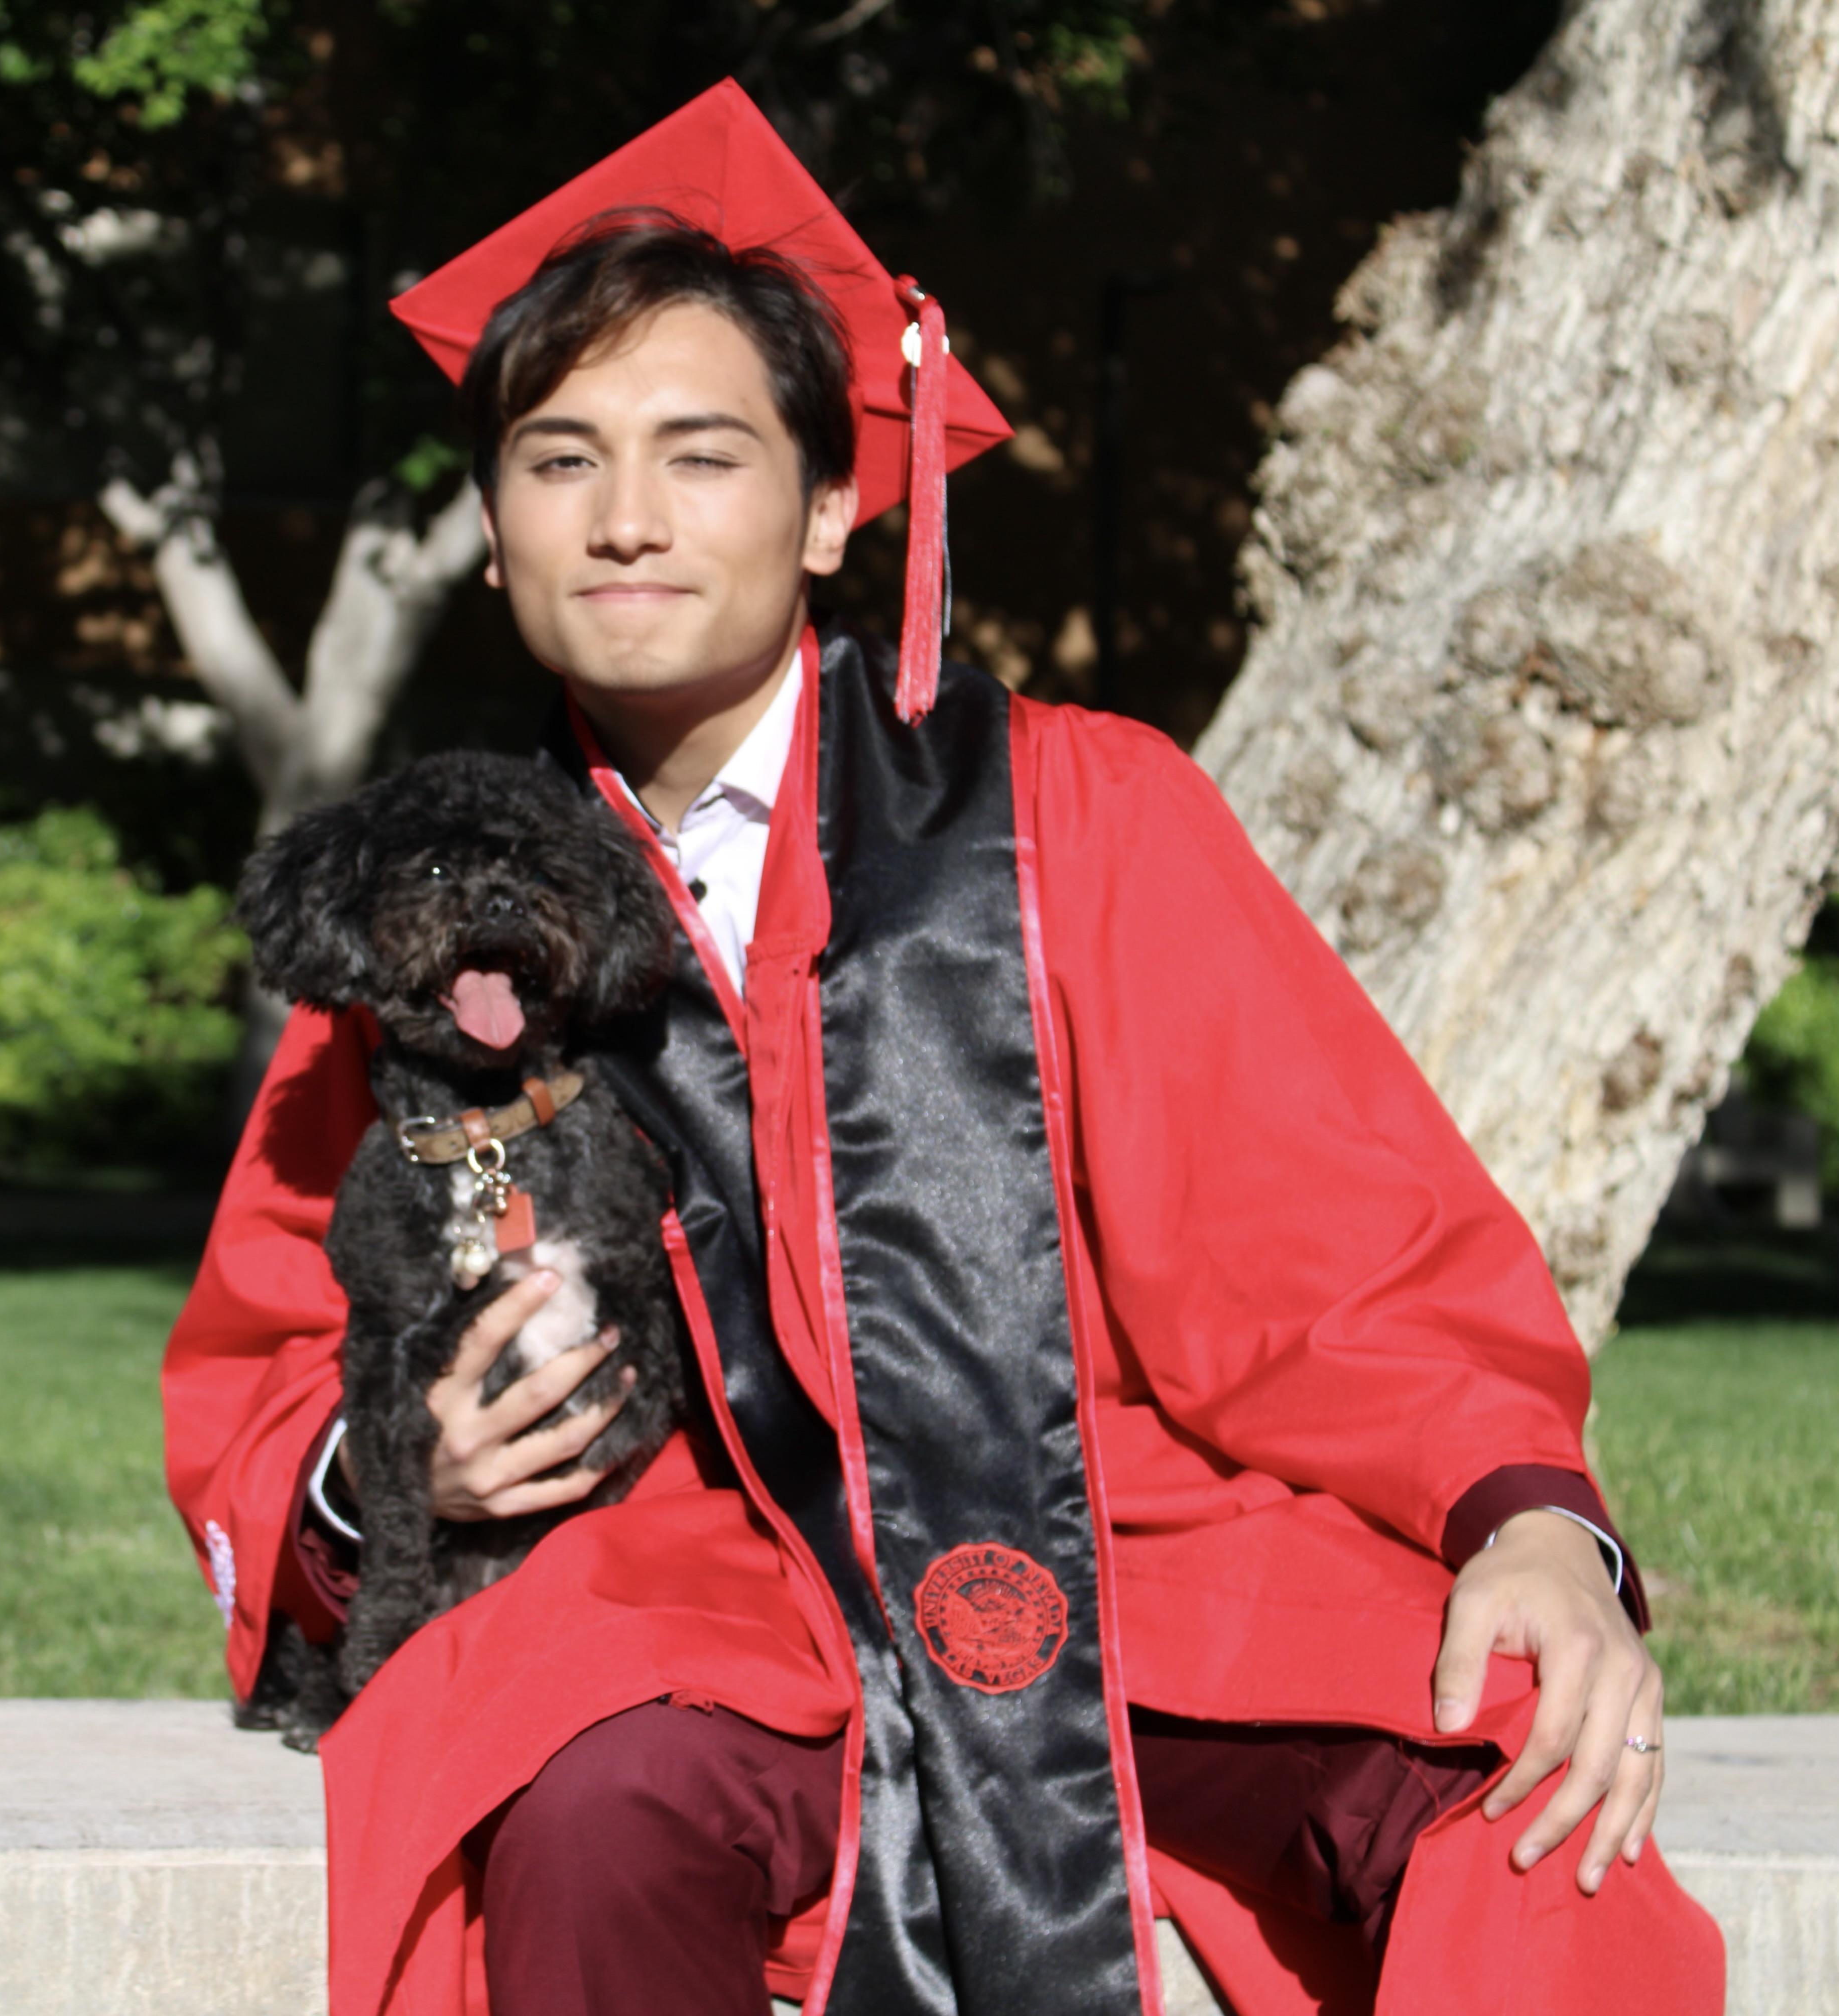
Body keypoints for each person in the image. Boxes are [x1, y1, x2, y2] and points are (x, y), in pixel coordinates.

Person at [163, 81, 1724, 2016]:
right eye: (558, 460)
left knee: (1520, 1783)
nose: (626, 518)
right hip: (695, 1610)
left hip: (1108, 1558)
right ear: (494, 531)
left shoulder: (1079, 813)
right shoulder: (438, 918)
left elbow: (1329, 1247)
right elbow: (270, 1350)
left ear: (831, 507)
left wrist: (1529, 1522)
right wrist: (392, 1468)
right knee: (586, 1807)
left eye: (701, 454)